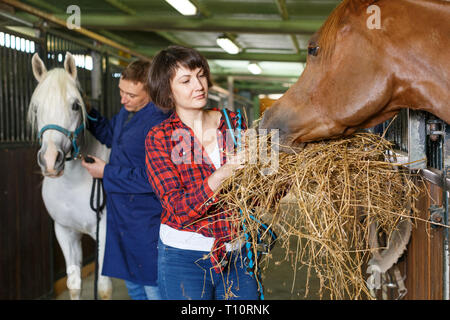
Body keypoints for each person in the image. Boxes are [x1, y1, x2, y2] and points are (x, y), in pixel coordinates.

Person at [144, 45, 259, 300]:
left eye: (200, 75)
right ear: (167, 91)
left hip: (237, 254)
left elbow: (259, 198)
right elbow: (178, 208)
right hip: (184, 258)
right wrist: (221, 176)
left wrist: (278, 173)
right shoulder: (160, 138)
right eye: (186, 80)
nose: (198, 85)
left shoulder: (234, 124)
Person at [81, 59, 170, 300]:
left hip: (148, 219)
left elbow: (154, 177)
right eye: (121, 91)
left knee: (153, 288)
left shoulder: (161, 122)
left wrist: (106, 172)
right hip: (124, 218)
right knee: (134, 288)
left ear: (151, 91)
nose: (123, 99)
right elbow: (112, 136)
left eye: (131, 94)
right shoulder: (128, 112)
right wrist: (88, 112)